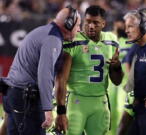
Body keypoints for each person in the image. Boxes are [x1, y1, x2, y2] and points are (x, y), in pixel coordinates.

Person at [1, 6, 81, 135]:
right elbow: (44, 75)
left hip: (13, 94)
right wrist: (48, 110)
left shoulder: (43, 31)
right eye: (78, 25)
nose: (79, 29)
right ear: (69, 24)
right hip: (27, 100)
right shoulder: (53, 39)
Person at [55, 5, 124, 135]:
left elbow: (117, 81)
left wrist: (116, 66)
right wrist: (60, 110)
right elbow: (61, 78)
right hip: (77, 101)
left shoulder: (111, 41)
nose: (91, 26)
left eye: (95, 23)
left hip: (100, 102)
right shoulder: (74, 40)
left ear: (103, 24)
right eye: (88, 22)